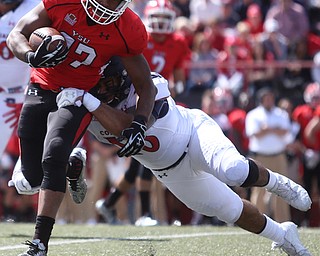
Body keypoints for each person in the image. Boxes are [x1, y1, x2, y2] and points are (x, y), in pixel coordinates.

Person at [57, 57, 312, 256]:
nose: (104, 90)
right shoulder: (91, 111)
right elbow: (66, 140)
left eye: (109, 82)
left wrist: (90, 102)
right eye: (98, 86)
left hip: (194, 134)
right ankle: (283, 235)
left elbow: (136, 122)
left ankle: (278, 184)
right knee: (231, 211)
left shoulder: (146, 83)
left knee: (233, 170)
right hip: (170, 171)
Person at [6, 0, 157, 255]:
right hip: (41, 85)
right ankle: (71, 165)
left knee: (53, 155)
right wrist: (31, 56)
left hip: (77, 94)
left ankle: (39, 244)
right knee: (31, 178)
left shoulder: (128, 27)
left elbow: (146, 84)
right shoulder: (63, 2)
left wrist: (140, 122)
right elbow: (16, 34)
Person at [245, 88, 292, 222]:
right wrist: (273, 129)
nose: (269, 101)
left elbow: (285, 132)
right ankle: (255, 221)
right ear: (261, 100)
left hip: (278, 156)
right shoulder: (253, 115)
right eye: (266, 98)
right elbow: (254, 133)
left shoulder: (281, 114)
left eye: (271, 98)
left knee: (282, 189)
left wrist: (267, 129)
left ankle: (283, 222)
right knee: (258, 190)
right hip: (260, 157)